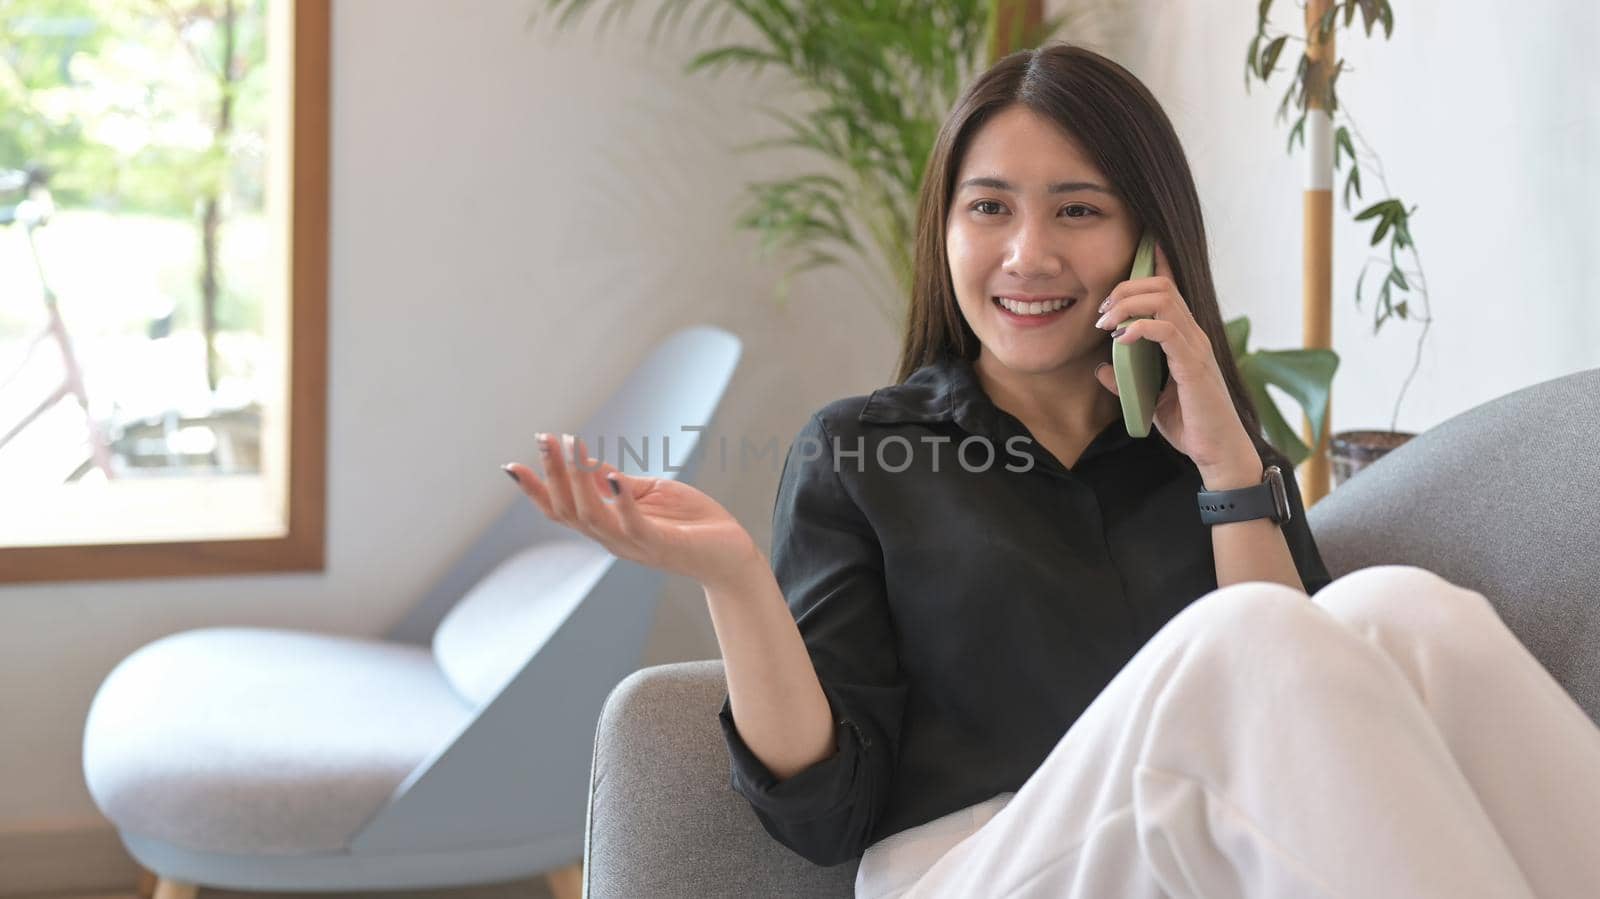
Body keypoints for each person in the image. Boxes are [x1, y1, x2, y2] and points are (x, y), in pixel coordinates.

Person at [502, 42, 1600, 899]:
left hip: (1197, 859)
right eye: (990, 208)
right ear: (947, 229)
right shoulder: (861, 451)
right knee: (1248, 635)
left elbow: (1320, 720)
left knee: (1405, 610)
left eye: (1078, 210)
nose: (1027, 253)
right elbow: (825, 814)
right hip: (971, 867)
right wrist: (736, 576)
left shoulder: (1207, 442)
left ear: (1146, 239)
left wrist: (1222, 456)